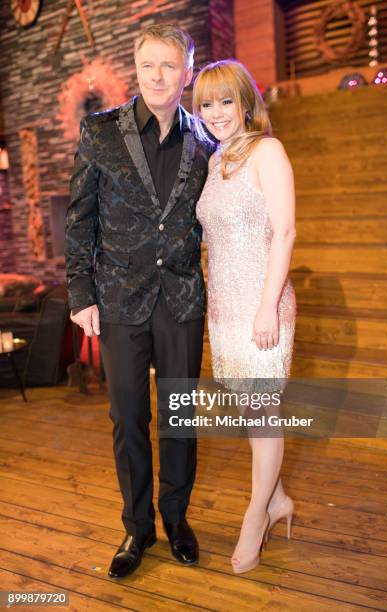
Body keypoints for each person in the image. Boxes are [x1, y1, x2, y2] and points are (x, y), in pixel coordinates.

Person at [65, 24, 214, 579]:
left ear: (187, 73)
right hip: (119, 300)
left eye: (169, 66)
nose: (158, 75)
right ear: (138, 68)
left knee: (179, 418)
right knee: (128, 418)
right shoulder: (100, 132)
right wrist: (80, 293)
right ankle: (138, 526)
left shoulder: (206, 140)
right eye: (149, 65)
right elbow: (80, 217)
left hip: (181, 299)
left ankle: (176, 520)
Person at [193, 59, 297, 574]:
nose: (215, 113)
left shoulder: (267, 151)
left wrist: (265, 306)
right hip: (225, 307)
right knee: (250, 414)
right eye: (206, 104)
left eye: (225, 101)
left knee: (262, 412)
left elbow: (285, 234)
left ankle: (256, 517)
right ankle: (278, 500)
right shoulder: (215, 160)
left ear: (246, 102)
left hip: (262, 305)